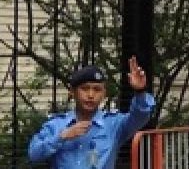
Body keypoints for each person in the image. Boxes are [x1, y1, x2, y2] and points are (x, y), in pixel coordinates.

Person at [28, 56, 156, 169]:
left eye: (97, 89)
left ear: (104, 94)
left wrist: (140, 91)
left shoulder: (113, 124)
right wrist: (62, 137)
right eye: (85, 89)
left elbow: (141, 116)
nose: (90, 95)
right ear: (72, 92)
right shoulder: (56, 125)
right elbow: (34, 154)